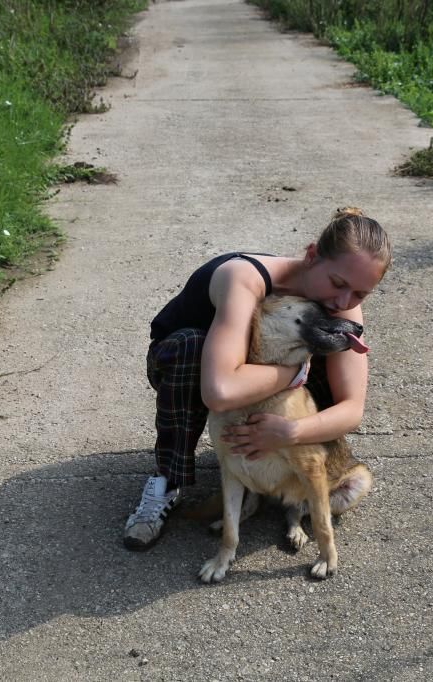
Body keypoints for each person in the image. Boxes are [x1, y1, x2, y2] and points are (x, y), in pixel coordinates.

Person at [123, 207, 392, 550]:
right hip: (188, 368)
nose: (343, 301)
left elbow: (351, 409)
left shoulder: (341, 302)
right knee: (191, 347)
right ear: (311, 255)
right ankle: (167, 482)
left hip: (258, 377)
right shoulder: (243, 278)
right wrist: (295, 371)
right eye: (338, 283)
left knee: (330, 341)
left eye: (359, 294)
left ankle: (277, 470)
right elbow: (219, 391)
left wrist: (289, 433)